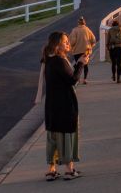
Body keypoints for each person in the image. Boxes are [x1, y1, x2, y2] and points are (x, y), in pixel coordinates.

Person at [42, 31, 88, 181]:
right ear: (57, 45)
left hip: (52, 107)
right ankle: (69, 170)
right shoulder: (60, 61)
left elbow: (64, 76)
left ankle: (52, 170)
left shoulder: (49, 61)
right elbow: (73, 80)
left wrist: (77, 63)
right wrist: (81, 63)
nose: (68, 43)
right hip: (65, 106)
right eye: (65, 41)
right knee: (67, 136)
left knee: (53, 138)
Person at [68, 17, 95, 84]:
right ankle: (85, 79)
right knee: (85, 65)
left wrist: (70, 46)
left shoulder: (75, 30)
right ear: (84, 22)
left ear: (78, 23)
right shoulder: (87, 29)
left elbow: (73, 41)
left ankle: (78, 78)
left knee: (78, 65)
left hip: (77, 51)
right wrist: (91, 46)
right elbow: (93, 40)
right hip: (86, 50)